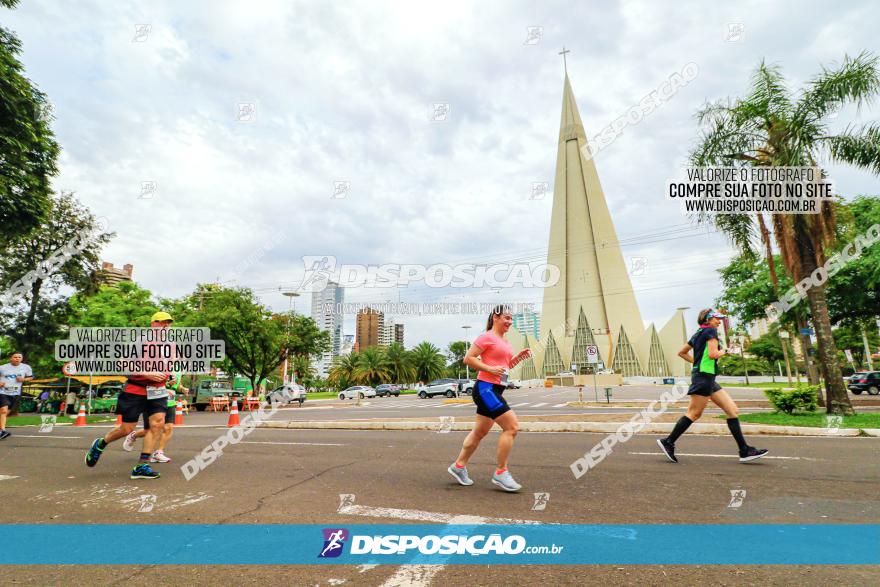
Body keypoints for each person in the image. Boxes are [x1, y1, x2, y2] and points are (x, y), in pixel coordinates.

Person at [657, 308, 768, 464]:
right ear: (708, 319)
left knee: (732, 410)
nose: (719, 321)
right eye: (717, 318)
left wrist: (696, 362)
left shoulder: (698, 333)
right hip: (703, 378)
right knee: (694, 413)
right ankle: (668, 442)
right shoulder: (710, 331)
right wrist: (728, 351)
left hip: (707, 377)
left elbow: (682, 352)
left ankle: (744, 450)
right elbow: (713, 354)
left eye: (720, 319)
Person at [447, 305, 532, 492]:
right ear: (496, 317)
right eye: (507, 318)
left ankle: (458, 466)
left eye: (512, 319)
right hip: (485, 390)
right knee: (511, 427)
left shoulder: (505, 341)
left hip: (496, 389)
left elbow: (505, 366)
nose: (510, 321)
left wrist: (518, 357)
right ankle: (501, 472)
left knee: (479, 433)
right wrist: (489, 369)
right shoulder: (487, 337)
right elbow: (468, 359)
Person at [84, 312, 175, 479]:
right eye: (162, 323)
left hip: (158, 391)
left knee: (157, 425)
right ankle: (100, 444)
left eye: (168, 323)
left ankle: (142, 466)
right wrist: (148, 374)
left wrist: (169, 376)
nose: (166, 326)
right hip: (136, 389)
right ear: (153, 324)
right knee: (126, 429)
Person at [122, 371, 187, 462]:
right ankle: (133, 435)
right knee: (148, 431)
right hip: (154, 401)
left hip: (170, 402)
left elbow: (178, 385)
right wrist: (166, 385)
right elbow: (150, 381)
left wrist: (182, 389)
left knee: (168, 428)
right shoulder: (159, 363)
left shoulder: (179, 369)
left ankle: (158, 453)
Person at [0, 352, 34, 440]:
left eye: (19, 357)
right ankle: (2, 430)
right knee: (3, 410)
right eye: (15, 357)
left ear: (21, 359)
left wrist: (23, 379)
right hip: (3, 392)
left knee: (7, 412)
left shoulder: (26, 367)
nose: (17, 358)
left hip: (16, 393)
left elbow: (31, 377)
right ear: (11, 358)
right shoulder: (3, 367)